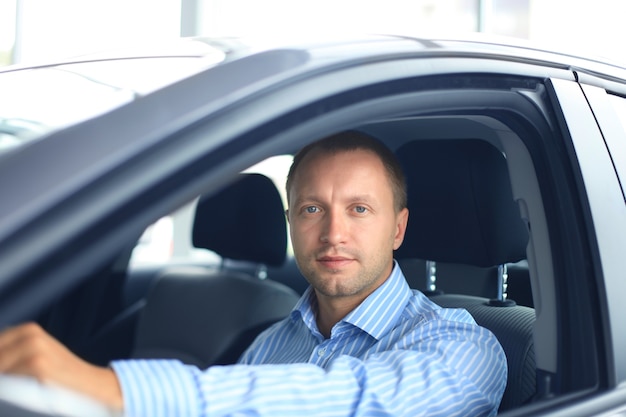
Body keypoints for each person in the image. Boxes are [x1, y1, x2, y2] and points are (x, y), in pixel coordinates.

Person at [0, 131, 507, 416]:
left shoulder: (465, 349)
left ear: (398, 229)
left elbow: (352, 402)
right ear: (290, 222)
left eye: (358, 209)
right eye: (312, 209)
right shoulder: (267, 343)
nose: (333, 233)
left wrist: (117, 390)